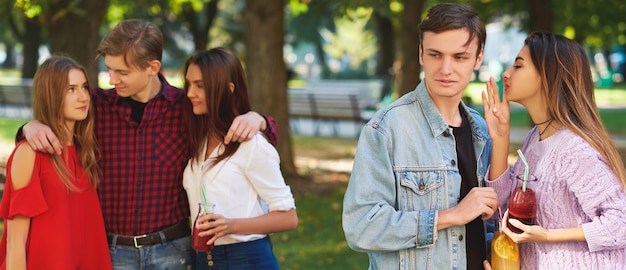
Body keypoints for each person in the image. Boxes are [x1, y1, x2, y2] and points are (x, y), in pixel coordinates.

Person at [19, 20, 279, 269]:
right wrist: (29, 127)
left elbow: (246, 134)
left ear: (152, 68)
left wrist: (260, 120)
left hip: (173, 250)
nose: (111, 79)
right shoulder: (94, 107)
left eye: (122, 72)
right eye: (109, 70)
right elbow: (55, 116)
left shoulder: (187, 107)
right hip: (110, 250)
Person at [342, 3, 498, 269]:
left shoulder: (481, 130)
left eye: (459, 57)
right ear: (421, 55)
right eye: (436, 54)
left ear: (478, 58)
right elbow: (360, 227)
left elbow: (484, 221)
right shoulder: (387, 128)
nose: (446, 69)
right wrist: (450, 216)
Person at [482, 32, 626, 269]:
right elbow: (501, 206)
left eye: (519, 66)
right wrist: (500, 138)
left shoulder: (572, 148)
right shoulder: (535, 138)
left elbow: (621, 221)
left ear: (547, 76)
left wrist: (547, 235)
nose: (506, 73)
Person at [181, 48, 297, 269]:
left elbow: (288, 217)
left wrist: (230, 225)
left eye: (200, 86)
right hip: (203, 259)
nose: (189, 93)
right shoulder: (201, 138)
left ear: (228, 90)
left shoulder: (252, 144)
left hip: (245, 259)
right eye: (189, 84)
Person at [0, 56, 112, 269]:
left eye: (84, 87)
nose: (83, 97)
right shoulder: (29, 153)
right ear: (51, 96)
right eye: (71, 89)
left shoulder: (87, 151)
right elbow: (15, 243)